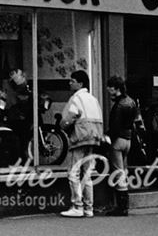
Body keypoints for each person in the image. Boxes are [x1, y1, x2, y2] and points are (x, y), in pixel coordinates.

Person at [58, 69, 103, 218]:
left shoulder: (77, 98)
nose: (70, 83)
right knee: (87, 175)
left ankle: (77, 206)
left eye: (72, 81)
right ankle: (89, 208)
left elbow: (69, 118)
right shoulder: (93, 99)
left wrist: (62, 126)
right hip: (93, 139)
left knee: (73, 172)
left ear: (80, 83)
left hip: (79, 138)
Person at [105, 75, 138, 216]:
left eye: (110, 87)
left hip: (118, 140)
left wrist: (107, 137)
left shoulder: (118, 106)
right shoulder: (131, 102)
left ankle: (122, 207)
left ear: (116, 89)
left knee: (118, 172)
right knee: (123, 170)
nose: (107, 89)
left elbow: (115, 127)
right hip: (128, 139)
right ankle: (123, 205)